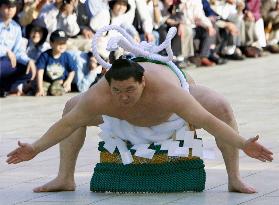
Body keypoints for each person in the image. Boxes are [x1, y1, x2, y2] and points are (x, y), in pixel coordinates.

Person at [6, 26, 273, 194]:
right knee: (70, 107)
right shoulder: (100, 95)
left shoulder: (169, 92)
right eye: (117, 91)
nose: (123, 97)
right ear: (108, 84)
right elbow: (66, 125)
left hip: (170, 105)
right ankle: (64, 178)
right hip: (120, 112)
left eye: (130, 91)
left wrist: (243, 144)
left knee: (221, 106)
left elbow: (207, 120)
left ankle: (235, 178)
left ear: (142, 82)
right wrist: (35, 148)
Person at [0, 0, 36, 96]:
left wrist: (28, 61)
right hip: (2, 61)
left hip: (7, 63)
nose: (10, 9)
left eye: (13, 7)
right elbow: (9, 52)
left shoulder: (16, 27)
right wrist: (6, 51)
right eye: (7, 6)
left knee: (28, 70)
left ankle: (4, 88)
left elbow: (18, 51)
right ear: (0, 7)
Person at [35, 29, 77, 96]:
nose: (62, 45)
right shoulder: (45, 55)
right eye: (59, 42)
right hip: (46, 80)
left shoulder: (67, 56)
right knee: (41, 91)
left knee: (55, 90)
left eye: (64, 42)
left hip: (59, 81)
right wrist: (40, 88)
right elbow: (40, 71)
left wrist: (68, 82)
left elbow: (72, 70)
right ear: (51, 43)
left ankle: (56, 89)